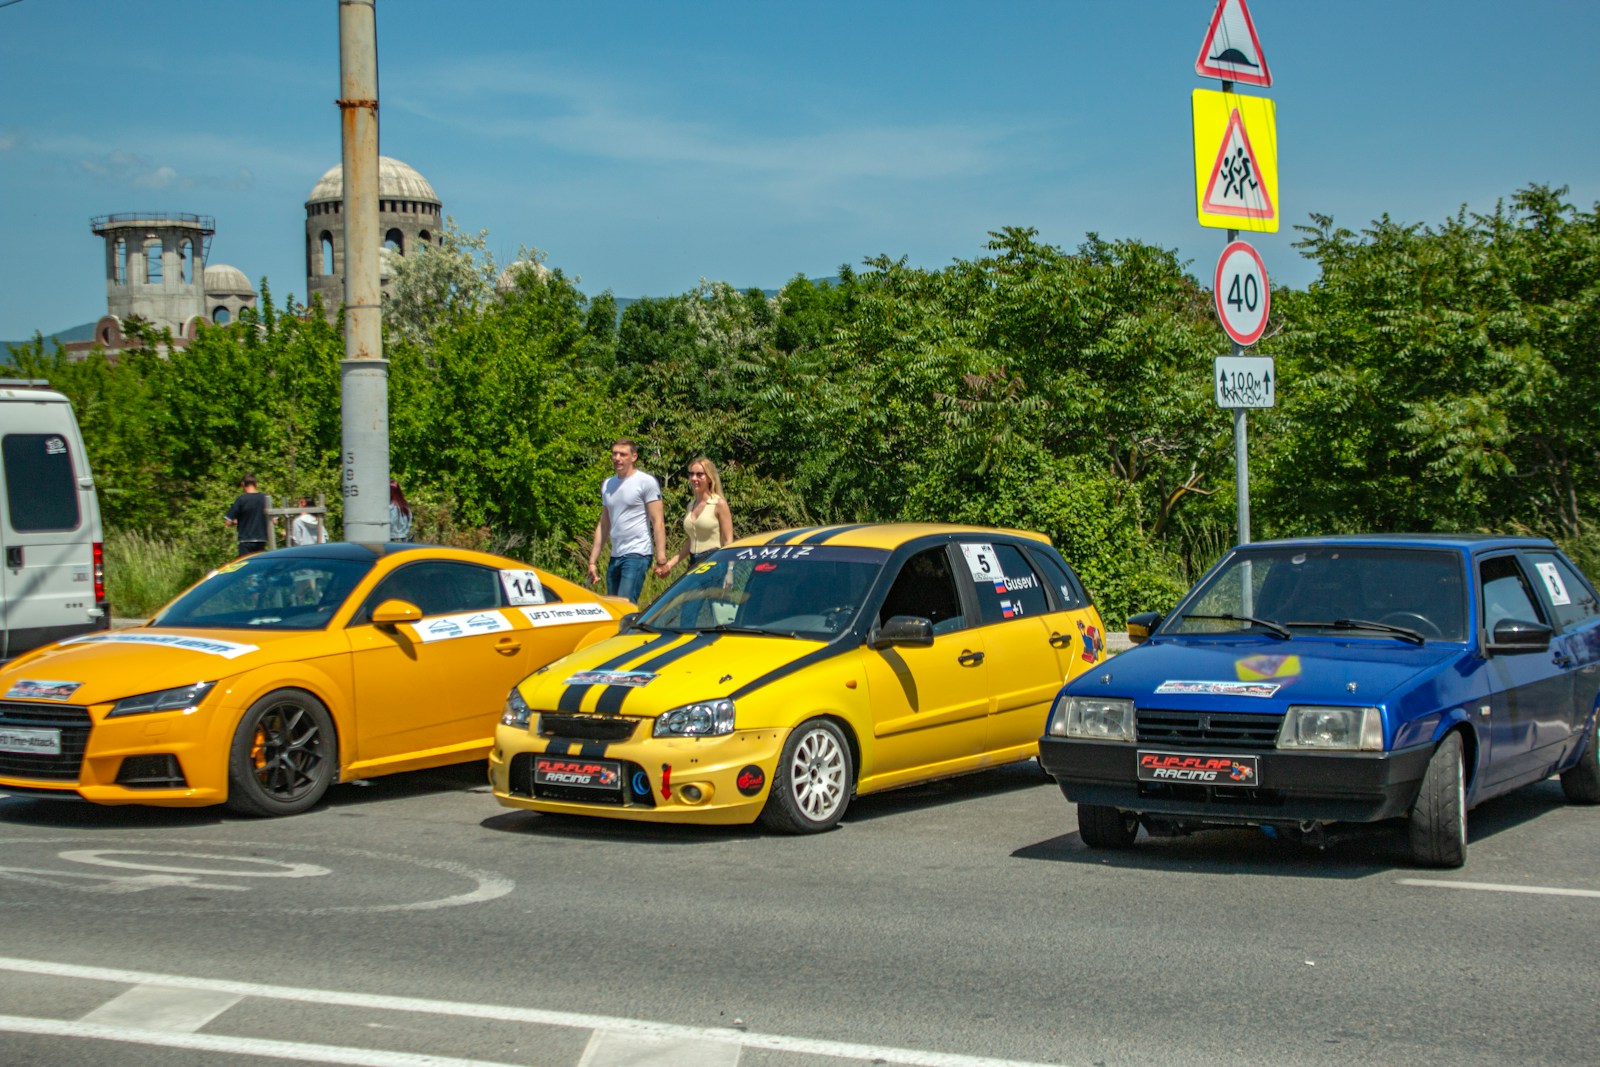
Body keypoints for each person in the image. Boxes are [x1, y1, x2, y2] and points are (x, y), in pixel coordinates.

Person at [586, 439, 666, 603]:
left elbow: (657, 520)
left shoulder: (645, 482)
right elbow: (604, 524)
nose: (617, 458)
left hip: (637, 553)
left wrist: (661, 558)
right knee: (612, 606)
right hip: (616, 555)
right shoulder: (608, 484)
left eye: (623, 454)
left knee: (624, 605)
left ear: (633, 457)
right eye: (614, 454)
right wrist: (592, 561)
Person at [657, 456, 734, 576]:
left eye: (699, 474)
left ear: (709, 477)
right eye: (691, 474)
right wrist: (669, 564)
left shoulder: (719, 504)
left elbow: (728, 541)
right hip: (693, 562)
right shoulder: (691, 505)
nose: (694, 478)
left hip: (714, 562)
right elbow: (692, 541)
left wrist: (730, 571)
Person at [223, 474, 272, 556]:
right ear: (256, 484)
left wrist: (236, 522)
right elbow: (274, 521)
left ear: (243, 484)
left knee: (247, 565)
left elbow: (227, 522)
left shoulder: (241, 500)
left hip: (245, 540)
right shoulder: (265, 498)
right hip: (261, 539)